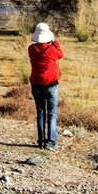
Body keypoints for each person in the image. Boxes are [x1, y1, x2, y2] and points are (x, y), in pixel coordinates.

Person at [28, 22, 64, 150]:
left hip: (36, 84)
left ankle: (41, 141)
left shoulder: (31, 49)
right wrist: (54, 41)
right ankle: (51, 142)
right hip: (51, 84)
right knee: (52, 113)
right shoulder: (52, 50)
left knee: (40, 112)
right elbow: (61, 54)